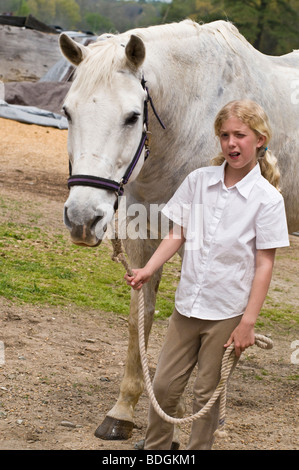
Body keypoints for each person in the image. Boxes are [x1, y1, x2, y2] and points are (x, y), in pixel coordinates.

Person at [124, 100, 290, 450]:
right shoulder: (198, 181)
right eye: (225, 135)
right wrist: (148, 269)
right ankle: (157, 449)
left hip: (227, 314)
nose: (232, 143)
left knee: (206, 395)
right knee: (165, 387)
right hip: (187, 307)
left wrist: (248, 322)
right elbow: (176, 234)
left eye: (240, 135)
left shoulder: (268, 200)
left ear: (260, 140)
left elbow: (265, 264)